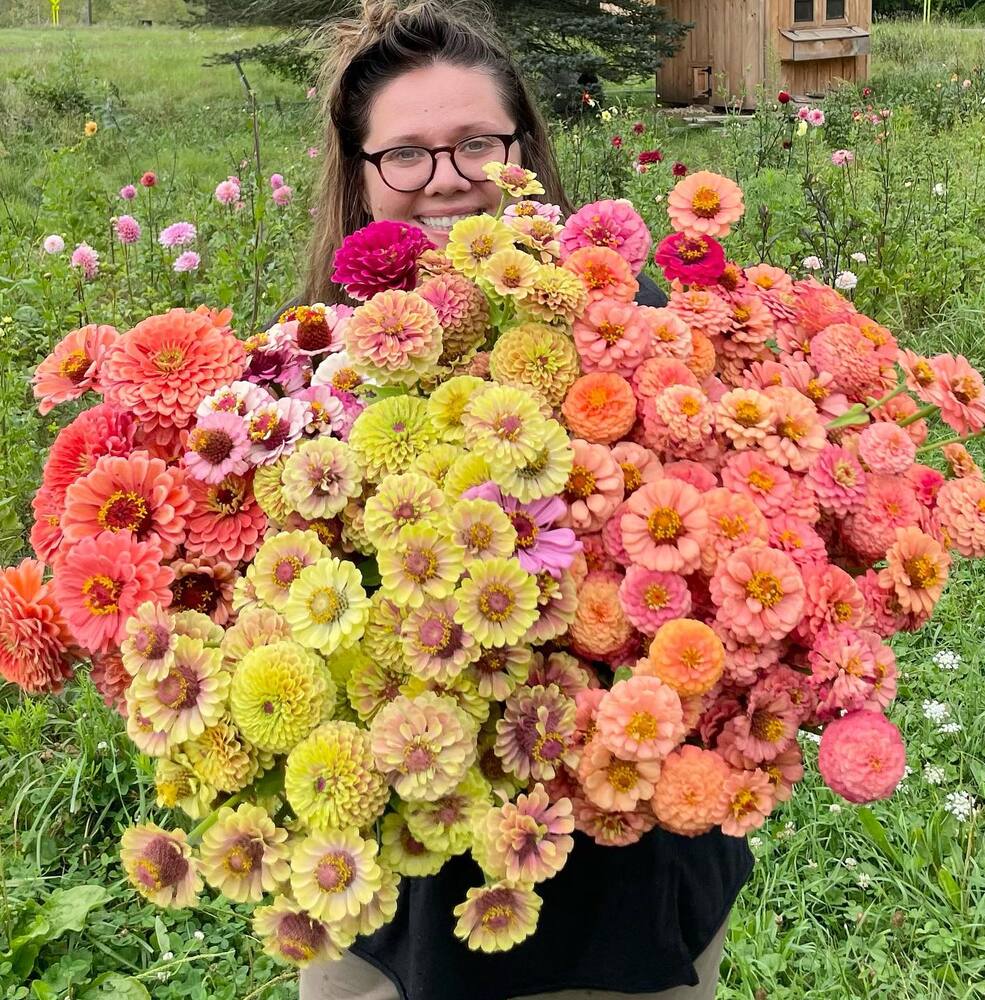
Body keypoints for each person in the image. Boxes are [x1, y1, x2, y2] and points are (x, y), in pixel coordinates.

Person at [290, 2, 754, 997]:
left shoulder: (631, 312)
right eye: (405, 155)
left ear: (525, 152)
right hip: (409, 821)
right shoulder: (311, 359)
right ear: (361, 171)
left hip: (617, 818)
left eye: (475, 145)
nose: (447, 178)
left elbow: (725, 518)